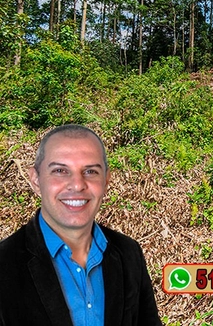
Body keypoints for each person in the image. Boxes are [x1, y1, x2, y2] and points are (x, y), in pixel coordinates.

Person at [0, 124, 162, 326]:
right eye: (60, 170)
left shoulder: (129, 254)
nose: (77, 185)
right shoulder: (4, 264)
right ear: (35, 179)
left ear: (106, 180)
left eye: (91, 171)